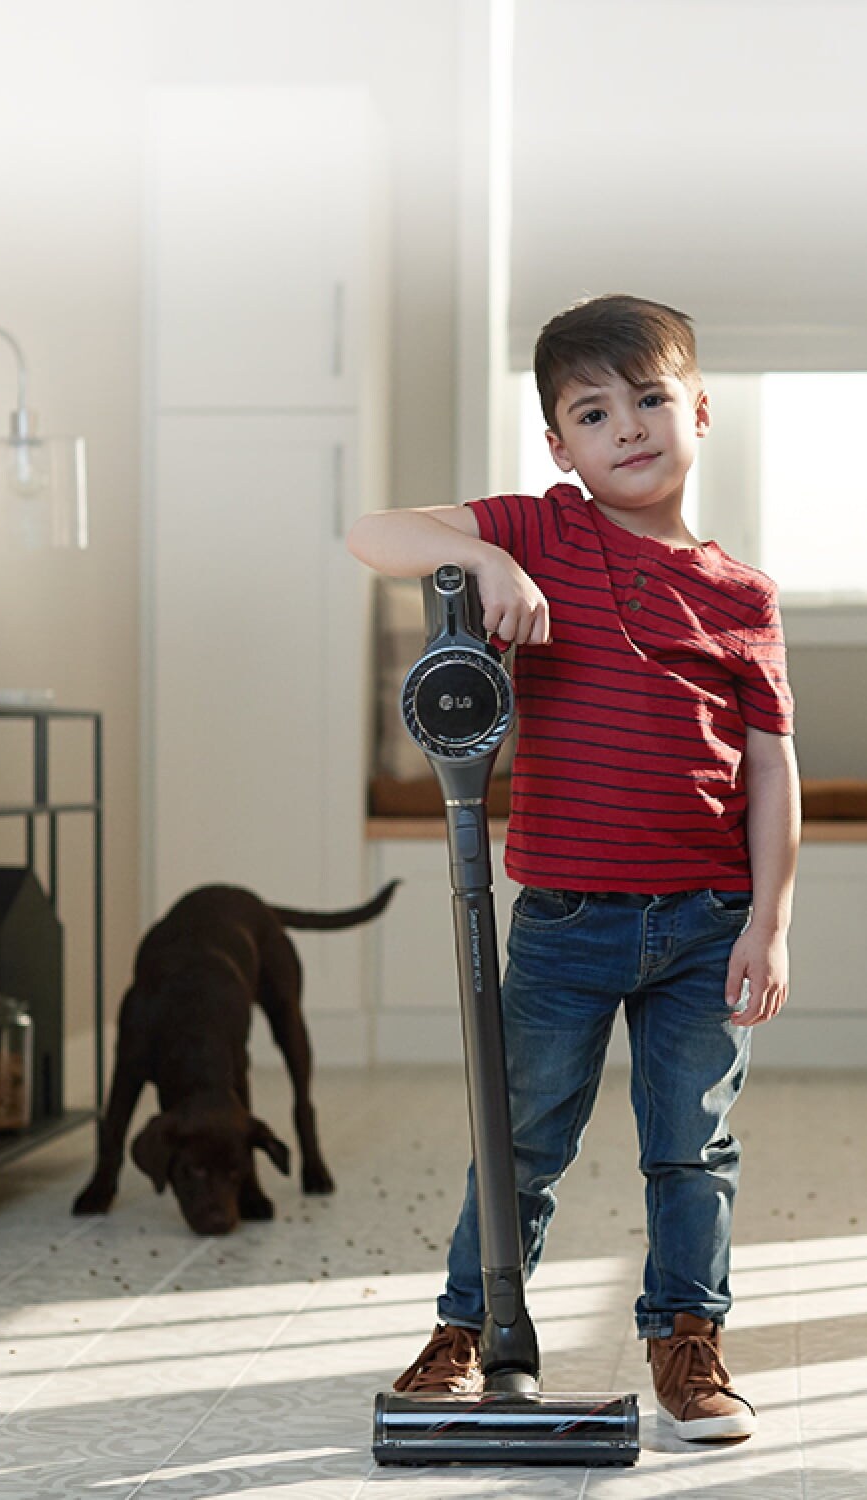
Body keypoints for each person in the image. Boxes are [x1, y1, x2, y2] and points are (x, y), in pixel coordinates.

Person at [348, 293, 799, 1443]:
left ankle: (686, 1340)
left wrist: (769, 923)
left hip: (706, 921)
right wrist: (480, 555)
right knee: (521, 1141)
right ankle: (469, 1327)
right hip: (564, 921)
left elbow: (769, 767)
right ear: (560, 446)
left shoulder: (742, 595)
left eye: (649, 399)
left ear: (699, 411)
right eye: (593, 414)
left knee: (691, 1148)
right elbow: (372, 532)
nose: (627, 428)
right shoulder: (541, 532)